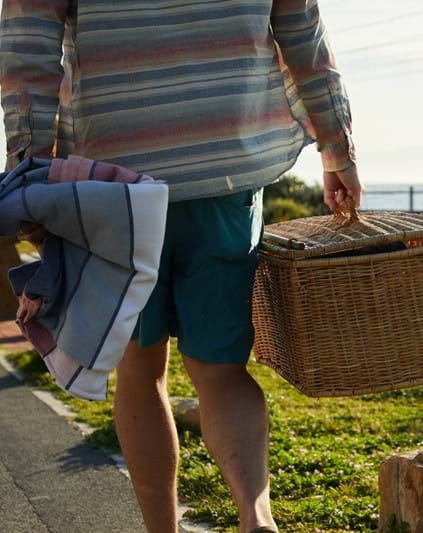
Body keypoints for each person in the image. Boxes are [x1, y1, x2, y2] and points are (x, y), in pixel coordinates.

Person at [0, 1, 361, 531]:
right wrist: (338, 148)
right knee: (220, 371)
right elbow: (302, 32)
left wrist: (29, 164)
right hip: (226, 170)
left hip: (116, 185)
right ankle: (256, 518)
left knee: (140, 372)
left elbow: (27, 45)